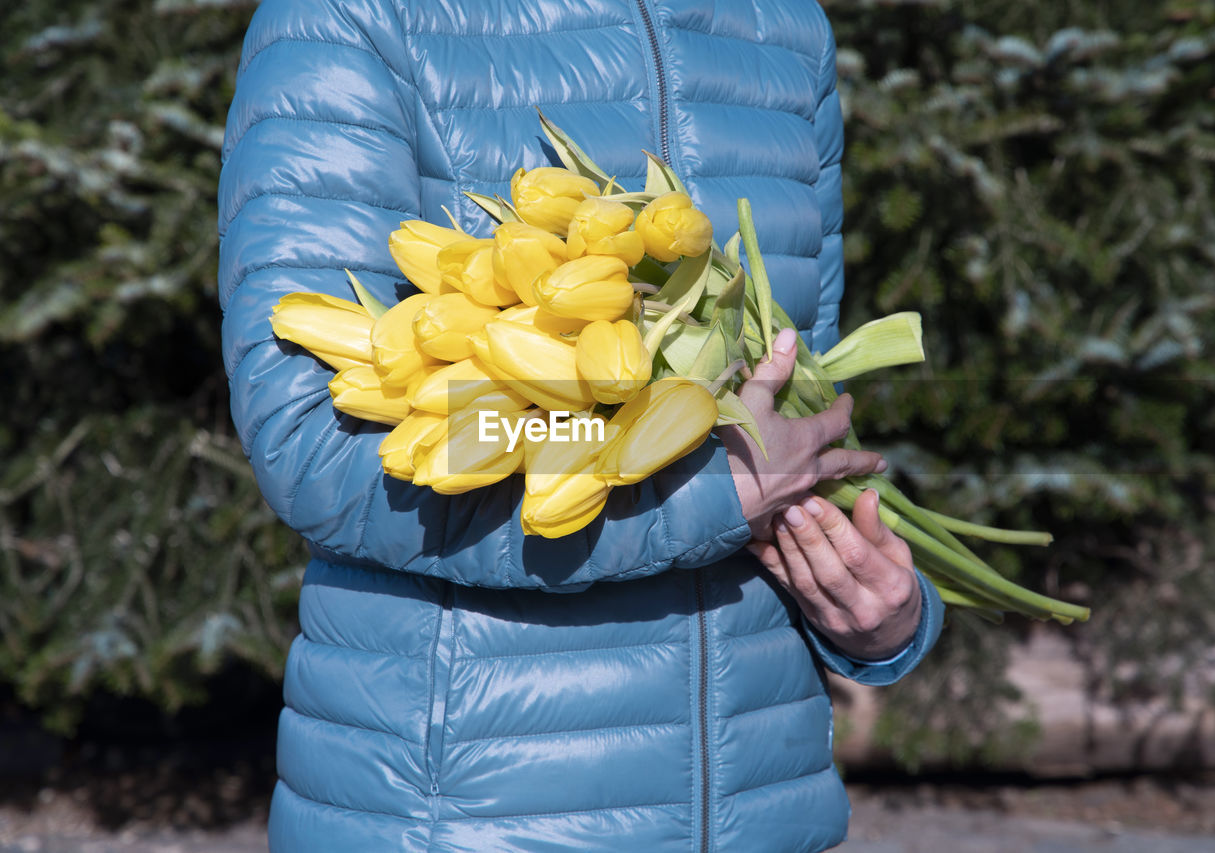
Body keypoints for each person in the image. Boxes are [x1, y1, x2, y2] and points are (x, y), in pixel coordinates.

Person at [218, 0, 945, 850]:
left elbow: (792, 409)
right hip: (472, 817)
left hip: (762, 807)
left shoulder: (778, 25)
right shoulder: (356, 16)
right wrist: (706, 487)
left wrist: (878, 610)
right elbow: (310, 437)